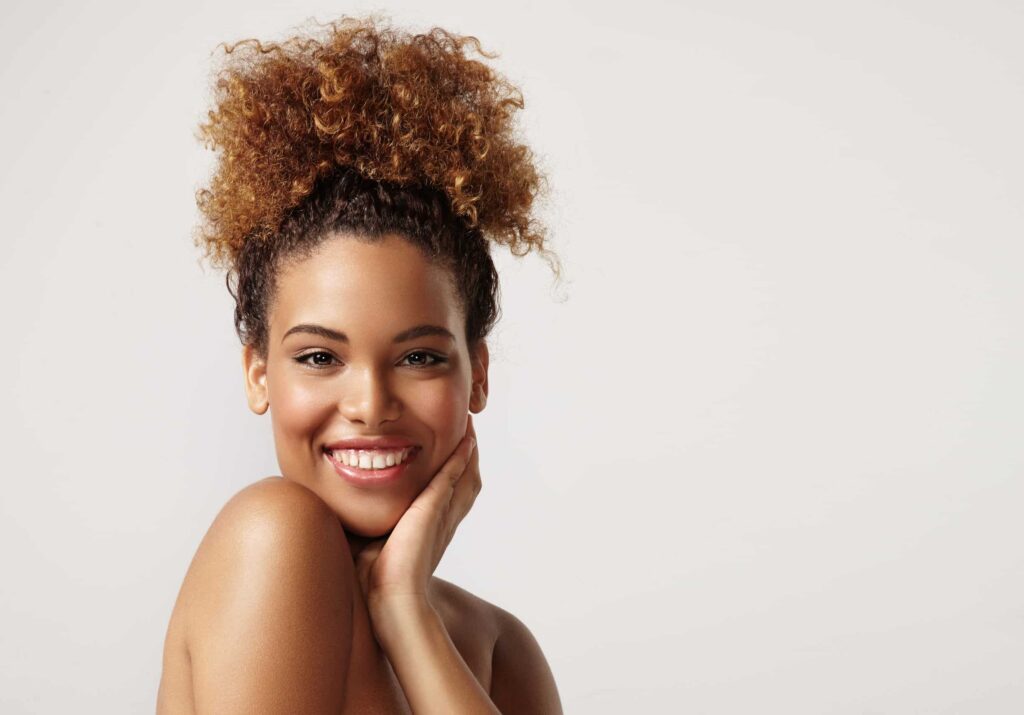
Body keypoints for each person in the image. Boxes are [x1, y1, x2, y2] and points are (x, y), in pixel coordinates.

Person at [156, 14, 563, 714]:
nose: (370, 403)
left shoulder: (500, 649)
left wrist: (405, 608)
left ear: (479, 373)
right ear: (258, 371)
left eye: (418, 356)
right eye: (320, 355)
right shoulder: (275, 538)